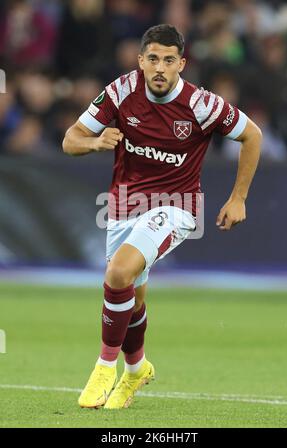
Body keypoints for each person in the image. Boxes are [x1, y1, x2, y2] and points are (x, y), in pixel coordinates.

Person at [62, 24, 262, 410]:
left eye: (169, 60)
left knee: (118, 273)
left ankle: (104, 367)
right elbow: (70, 139)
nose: (159, 67)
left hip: (176, 205)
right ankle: (136, 369)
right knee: (131, 299)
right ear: (140, 61)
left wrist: (239, 198)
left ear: (181, 64)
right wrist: (94, 142)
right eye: (152, 58)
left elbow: (251, 135)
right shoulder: (121, 92)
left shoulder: (202, 105)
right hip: (123, 208)